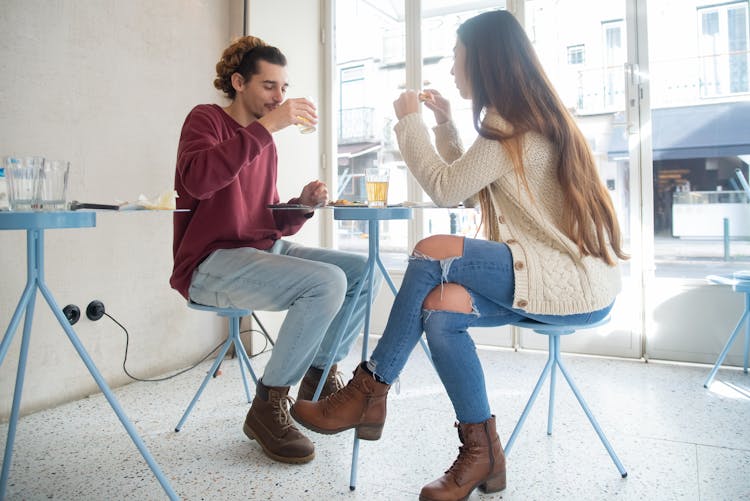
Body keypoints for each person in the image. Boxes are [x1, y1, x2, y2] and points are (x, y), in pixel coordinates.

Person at [291, 10, 627, 500]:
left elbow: (447, 190)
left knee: (430, 253)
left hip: (564, 279)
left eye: (456, 56)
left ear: (483, 59)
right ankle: (482, 453)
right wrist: (446, 124)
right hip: (570, 280)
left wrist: (408, 122)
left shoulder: (512, 124)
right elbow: (471, 190)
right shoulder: (526, 119)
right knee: (442, 310)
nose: (451, 68)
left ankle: (369, 390)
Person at [170, 35, 380, 465]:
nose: (279, 97)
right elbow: (199, 182)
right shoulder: (206, 120)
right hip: (209, 264)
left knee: (363, 270)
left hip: (262, 250)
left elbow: (260, 219)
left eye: (284, 87)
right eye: (269, 86)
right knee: (327, 282)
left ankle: (318, 384)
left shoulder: (263, 141)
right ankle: (269, 405)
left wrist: (301, 205)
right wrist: (266, 128)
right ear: (239, 82)